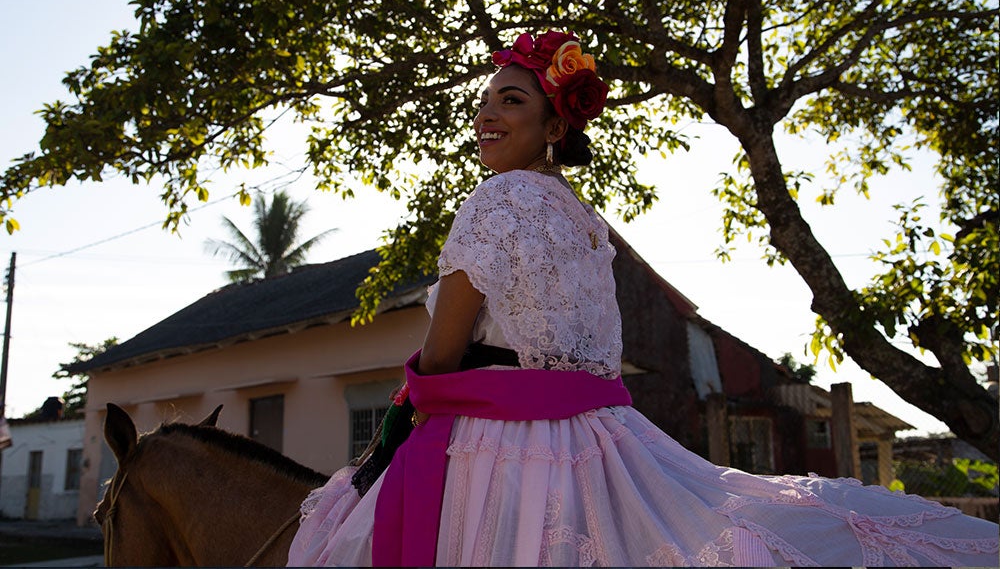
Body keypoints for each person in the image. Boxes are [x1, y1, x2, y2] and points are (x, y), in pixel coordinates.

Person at [288, 31, 1000, 567]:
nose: (487, 114)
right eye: (484, 101)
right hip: (597, 436)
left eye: (511, 99)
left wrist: (416, 392)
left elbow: (443, 353)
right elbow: (595, 358)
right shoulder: (586, 222)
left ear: (555, 125)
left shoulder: (494, 200)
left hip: (500, 448)